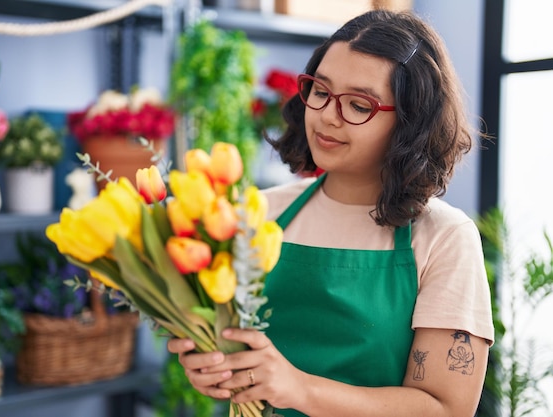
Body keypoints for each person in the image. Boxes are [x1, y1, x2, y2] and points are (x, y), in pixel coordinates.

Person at [167, 9, 494, 417]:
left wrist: (298, 388)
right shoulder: (260, 211)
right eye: (320, 91)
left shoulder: (444, 236)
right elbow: (239, 356)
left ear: (411, 125)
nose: (326, 115)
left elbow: (446, 409)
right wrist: (215, 365)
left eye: (358, 105)